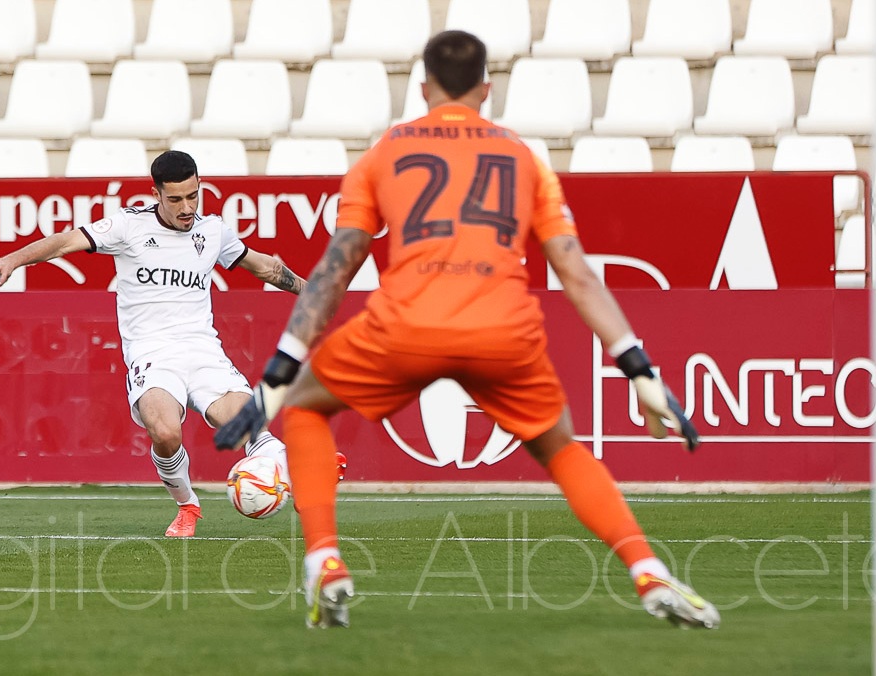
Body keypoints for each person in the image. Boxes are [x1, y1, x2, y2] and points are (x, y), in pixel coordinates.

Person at [216, 30, 720, 629]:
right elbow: (577, 274)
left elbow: (333, 270)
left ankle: (324, 560)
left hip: (404, 326)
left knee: (301, 410)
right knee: (561, 450)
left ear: (423, 87)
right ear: (487, 87)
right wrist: (639, 370)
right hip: (502, 332)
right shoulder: (523, 158)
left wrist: (276, 377)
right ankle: (646, 570)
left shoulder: (384, 154)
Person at [0, 150, 341, 538]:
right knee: (165, 432)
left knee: (240, 423)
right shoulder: (127, 227)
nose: (187, 207)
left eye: (193, 196)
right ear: (156, 194)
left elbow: (263, 266)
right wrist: (14, 259)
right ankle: (187, 505)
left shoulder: (213, 231)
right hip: (152, 352)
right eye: (176, 199)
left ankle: (303, 473)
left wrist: (312, 293)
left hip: (202, 349)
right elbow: (66, 242)